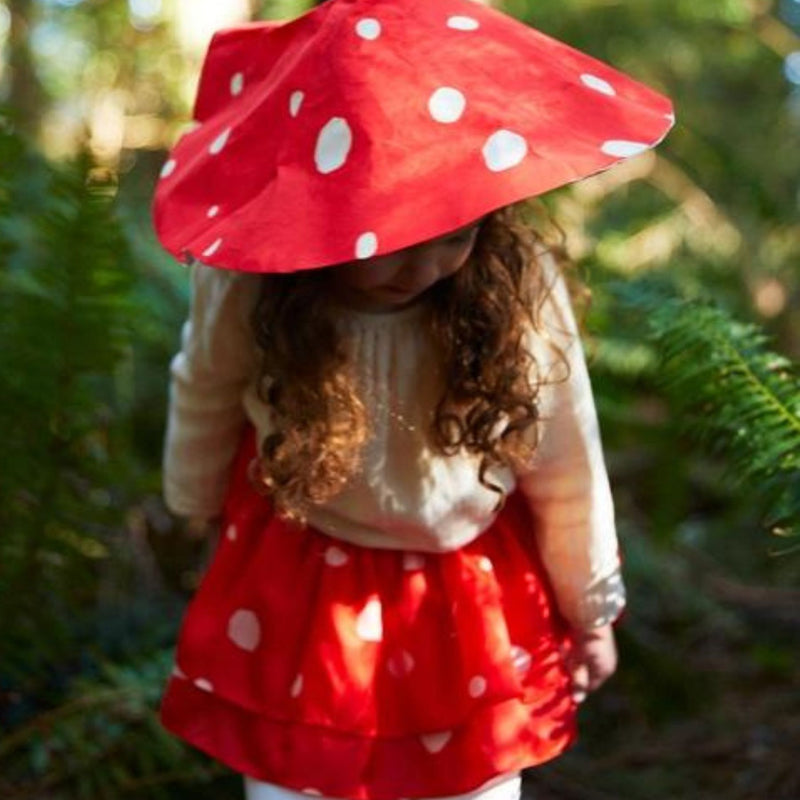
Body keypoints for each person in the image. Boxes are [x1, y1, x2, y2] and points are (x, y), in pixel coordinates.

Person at [152, 1, 674, 799]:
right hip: (304, 571)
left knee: (473, 781)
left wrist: (592, 610)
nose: (427, 261)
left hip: (468, 580)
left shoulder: (514, 280)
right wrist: (189, 510)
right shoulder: (251, 276)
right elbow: (207, 390)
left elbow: (567, 450)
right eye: (395, 231)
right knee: (297, 780)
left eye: (454, 230)